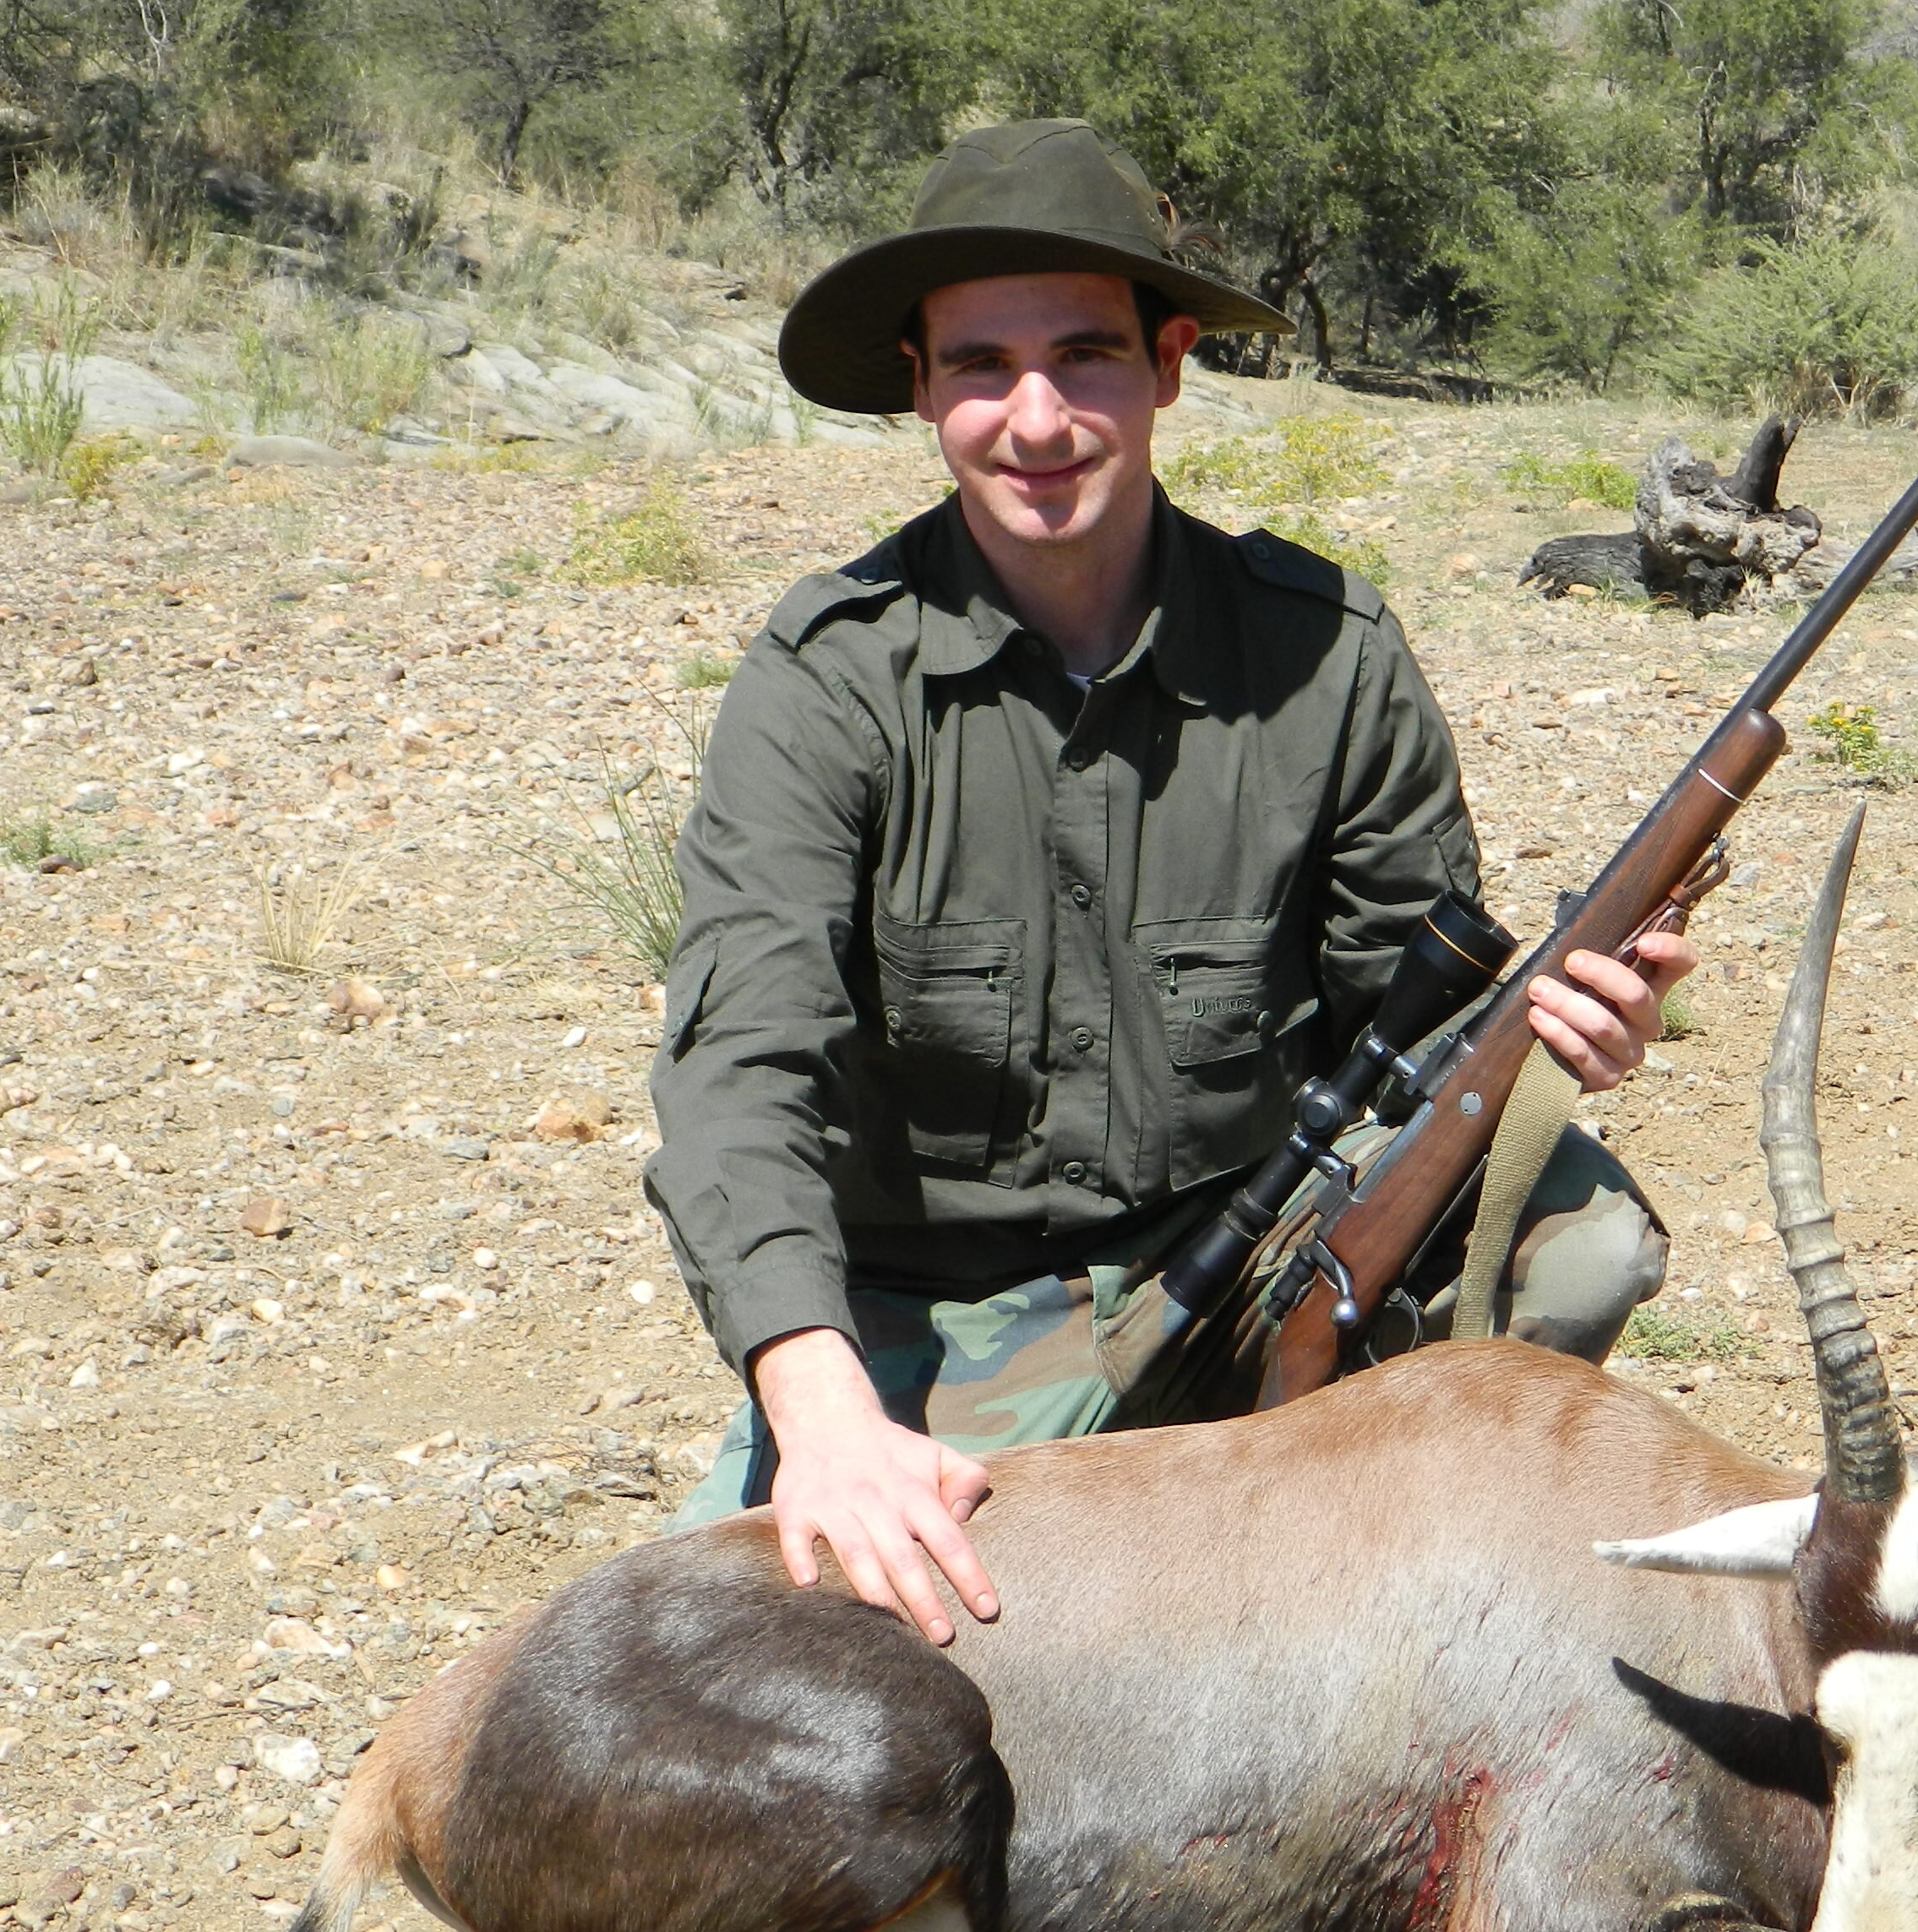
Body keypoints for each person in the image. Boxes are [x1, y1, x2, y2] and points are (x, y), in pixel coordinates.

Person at [645, 119, 1686, 1641]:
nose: (1038, 417)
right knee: (731, 1657)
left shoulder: (1327, 650)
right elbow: (741, 1071)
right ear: (922, 387)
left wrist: (1564, 1037)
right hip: (940, 1305)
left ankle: (1403, 1572)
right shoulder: (830, 679)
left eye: (1086, 357)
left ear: (1172, 363)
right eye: (982, 368)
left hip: (1262, 1233)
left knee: (1578, 1230)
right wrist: (824, 1412)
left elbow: (1410, 1031)